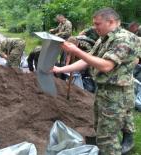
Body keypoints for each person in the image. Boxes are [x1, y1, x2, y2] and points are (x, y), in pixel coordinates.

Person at [51, 8, 141, 155]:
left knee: (107, 139)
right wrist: (59, 69)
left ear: (110, 21)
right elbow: (88, 61)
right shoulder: (104, 37)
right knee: (101, 129)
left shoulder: (124, 39)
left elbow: (106, 65)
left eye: (97, 24)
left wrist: (76, 51)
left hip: (117, 94)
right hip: (104, 91)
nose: (94, 27)